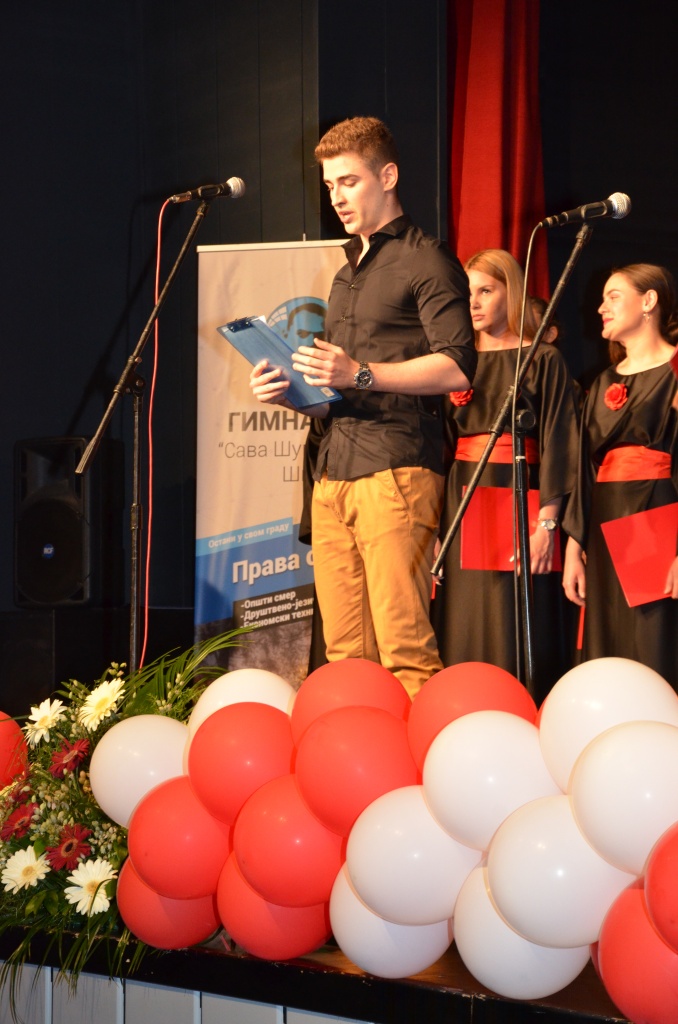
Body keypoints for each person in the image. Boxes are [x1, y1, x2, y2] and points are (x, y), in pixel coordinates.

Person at [249, 115, 476, 697]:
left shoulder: (427, 259)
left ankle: (426, 753)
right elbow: (340, 394)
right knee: (345, 658)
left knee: (405, 649)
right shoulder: (346, 272)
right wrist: (294, 396)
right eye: (330, 185)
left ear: (388, 176)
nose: (336, 198)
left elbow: (458, 365)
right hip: (333, 475)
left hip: (395, 470)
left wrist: (360, 372)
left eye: (348, 181)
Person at [433, 249, 580, 703]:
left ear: (510, 292)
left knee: (515, 615)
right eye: (467, 293)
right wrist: (436, 530)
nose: (474, 303)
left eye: (486, 290)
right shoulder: (454, 364)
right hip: (464, 500)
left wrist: (547, 524)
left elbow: (560, 444)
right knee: (468, 615)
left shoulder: (542, 359)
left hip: (520, 498)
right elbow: (440, 449)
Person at [562, 263, 678, 688]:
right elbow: (583, 468)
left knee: (653, 641)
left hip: (658, 519)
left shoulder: (676, 368)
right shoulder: (602, 381)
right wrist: (575, 546)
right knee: (608, 643)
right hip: (605, 524)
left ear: (649, 301)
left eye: (613, 297)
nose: (600, 308)